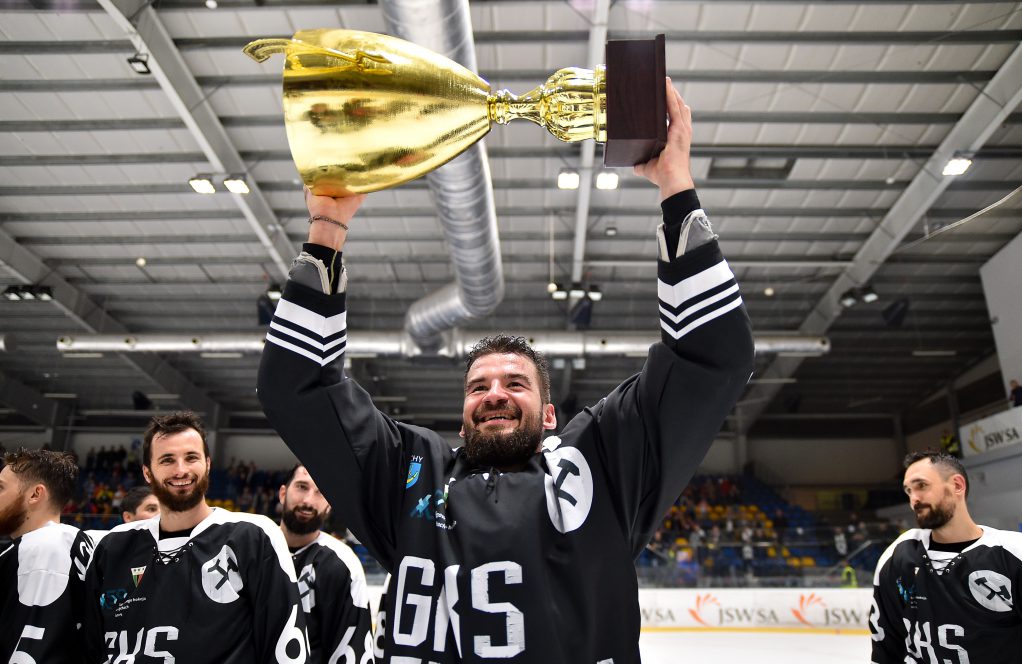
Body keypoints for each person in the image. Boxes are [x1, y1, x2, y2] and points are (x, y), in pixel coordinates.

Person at [258, 78, 754, 663]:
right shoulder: (409, 474)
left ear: (550, 416)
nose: (494, 393)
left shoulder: (602, 466)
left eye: (515, 383)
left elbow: (711, 355)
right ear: (461, 417)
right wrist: (327, 228)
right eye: (478, 387)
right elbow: (296, 387)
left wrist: (676, 185)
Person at [82, 411, 308, 663]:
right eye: (167, 460)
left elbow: (286, 648)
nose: (181, 470)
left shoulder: (252, 536)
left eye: (191, 458)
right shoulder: (113, 547)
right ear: (147, 473)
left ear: (207, 464)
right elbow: (90, 646)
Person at [869, 451, 1022, 662]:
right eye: (908, 490)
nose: (914, 499)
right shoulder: (900, 555)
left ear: (957, 485)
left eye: (921, 485)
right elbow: (887, 649)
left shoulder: (1013, 554)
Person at [0, 448, 94, 664]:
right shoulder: (74, 540)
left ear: (35, 494)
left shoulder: (40, 547)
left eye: (1, 487)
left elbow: (32, 650)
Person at [279, 464, 374, 663]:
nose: (308, 501)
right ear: (283, 493)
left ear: (329, 505)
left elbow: (352, 651)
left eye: (320, 492)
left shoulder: (342, 564)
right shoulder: (254, 549)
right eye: (302, 487)